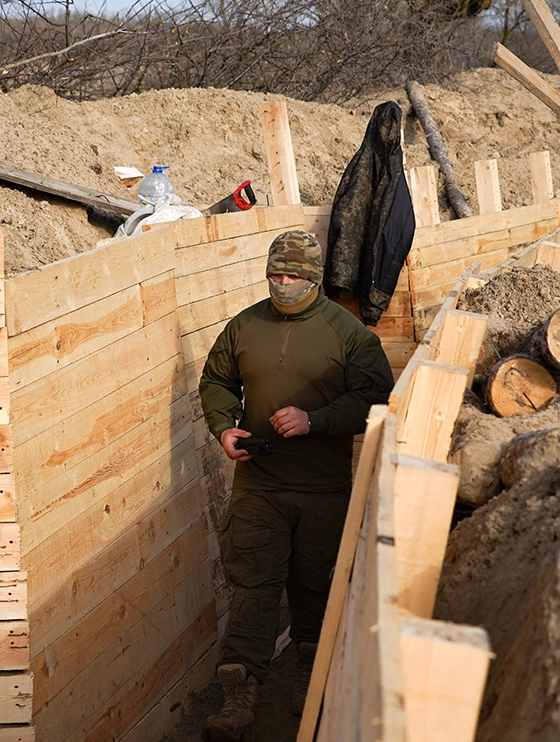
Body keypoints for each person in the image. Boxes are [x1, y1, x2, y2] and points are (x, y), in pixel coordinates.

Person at [198, 229, 395, 741]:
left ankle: (312, 671)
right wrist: (224, 427)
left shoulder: (350, 334)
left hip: (323, 490)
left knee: (316, 586)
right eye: (275, 275)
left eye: (294, 276)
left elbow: (377, 396)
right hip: (258, 486)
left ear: (314, 278)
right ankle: (239, 695)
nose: (283, 284)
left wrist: (317, 420)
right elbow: (216, 380)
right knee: (253, 590)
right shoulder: (244, 326)